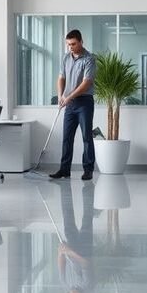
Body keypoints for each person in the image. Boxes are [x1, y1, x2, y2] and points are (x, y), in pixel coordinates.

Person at [50, 29, 97, 181]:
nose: (71, 47)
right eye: (69, 44)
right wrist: (60, 96)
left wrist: (69, 96)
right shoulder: (66, 58)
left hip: (84, 102)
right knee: (67, 137)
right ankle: (64, 170)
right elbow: (61, 78)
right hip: (69, 104)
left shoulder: (89, 59)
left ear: (81, 42)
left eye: (74, 44)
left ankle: (88, 170)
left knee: (86, 137)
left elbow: (86, 83)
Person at [56, 181, 95, 293]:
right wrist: (69, 252)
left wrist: (61, 252)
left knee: (67, 217)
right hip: (84, 249)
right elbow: (85, 264)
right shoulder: (88, 287)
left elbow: (61, 267)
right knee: (87, 217)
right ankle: (89, 188)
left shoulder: (66, 288)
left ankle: (64, 189)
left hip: (71, 248)